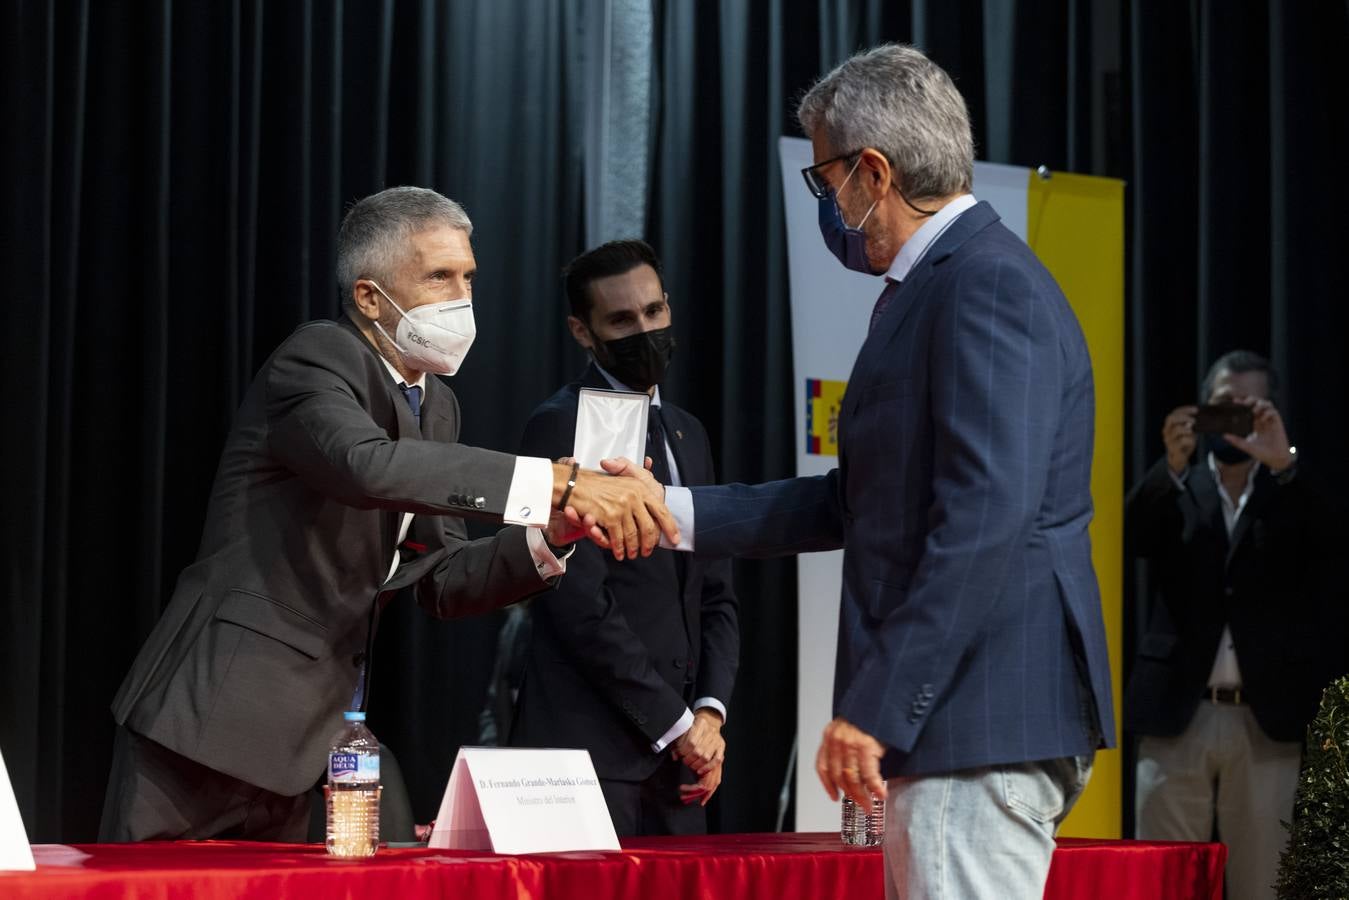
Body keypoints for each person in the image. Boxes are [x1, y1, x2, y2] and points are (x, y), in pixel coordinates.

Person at [604, 44, 1113, 899]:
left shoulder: (983, 285)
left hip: (974, 722)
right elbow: (860, 501)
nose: (828, 205)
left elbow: (985, 516)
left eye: (826, 179)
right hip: (963, 725)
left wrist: (878, 705)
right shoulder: (942, 286)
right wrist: (670, 510)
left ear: (873, 172)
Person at [99, 186, 678, 842]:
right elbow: (365, 467)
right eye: (438, 277)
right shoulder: (318, 357)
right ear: (370, 297)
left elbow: (441, 578)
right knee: (148, 887)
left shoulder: (436, 406)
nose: (462, 298)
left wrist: (550, 534)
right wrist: (558, 482)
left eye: (468, 277)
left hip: (305, 745)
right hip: (209, 720)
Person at [509, 240, 739, 835]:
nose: (645, 331)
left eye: (654, 311)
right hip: (587, 761)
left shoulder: (689, 432)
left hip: (684, 768)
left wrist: (709, 716)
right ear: (582, 332)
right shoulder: (560, 424)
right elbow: (575, 600)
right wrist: (676, 724)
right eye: (622, 320)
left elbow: (715, 591)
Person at [1125, 350, 1340, 900]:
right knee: (1163, 880)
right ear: (1202, 409)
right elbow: (1134, 536)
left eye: (1249, 406)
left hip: (1266, 717)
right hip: (1179, 712)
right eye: (1223, 404)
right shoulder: (1179, 484)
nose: (1234, 418)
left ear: (1270, 413)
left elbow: (1331, 545)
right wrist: (1171, 466)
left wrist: (1284, 462)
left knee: (1263, 881)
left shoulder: (1290, 489)